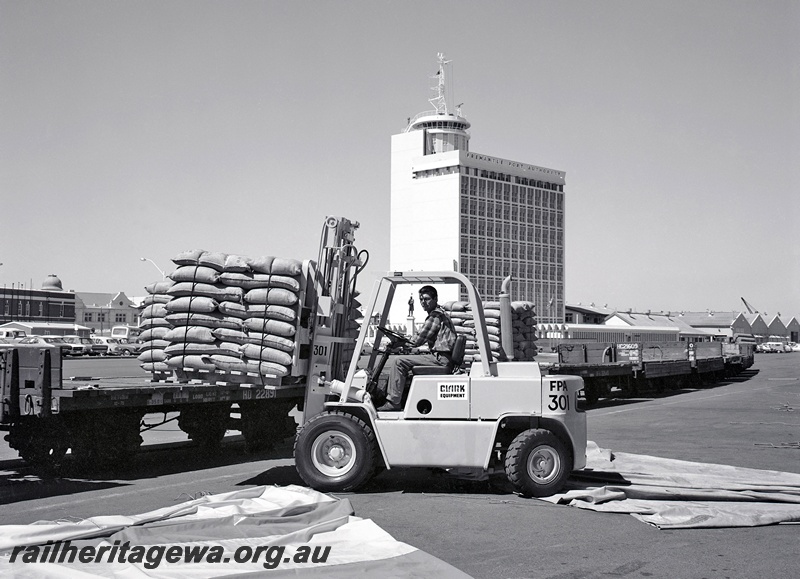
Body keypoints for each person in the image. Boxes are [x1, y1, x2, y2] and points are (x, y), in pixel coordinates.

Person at [377, 285, 456, 411]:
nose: (423, 302)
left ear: (435, 299)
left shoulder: (435, 316)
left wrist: (400, 343)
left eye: (427, 299)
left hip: (441, 359)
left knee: (399, 362)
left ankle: (394, 402)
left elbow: (417, 341)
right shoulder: (440, 314)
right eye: (421, 299)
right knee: (406, 362)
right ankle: (402, 397)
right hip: (441, 357)